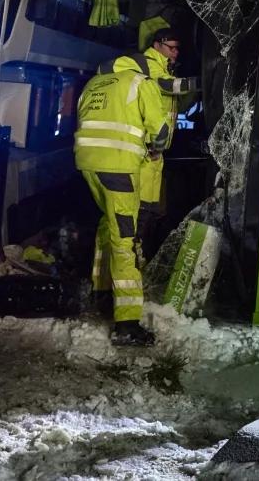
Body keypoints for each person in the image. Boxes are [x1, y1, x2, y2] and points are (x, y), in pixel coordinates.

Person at [75, 62, 172, 346]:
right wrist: (155, 150)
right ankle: (127, 323)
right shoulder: (141, 82)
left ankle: (102, 291)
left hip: (88, 165)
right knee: (125, 241)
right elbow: (162, 132)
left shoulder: (94, 83)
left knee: (108, 223)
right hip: (119, 169)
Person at [99, 28, 199, 251]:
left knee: (148, 213)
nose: (176, 53)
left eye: (177, 49)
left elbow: (172, 105)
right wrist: (200, 82)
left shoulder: (164, 67)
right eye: (171, 48)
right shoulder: (148, 64)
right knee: (134, 216)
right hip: (143, 151)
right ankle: (126, 264)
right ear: (157, 45)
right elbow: (168, 86)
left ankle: (138, 257)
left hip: (155, 151)